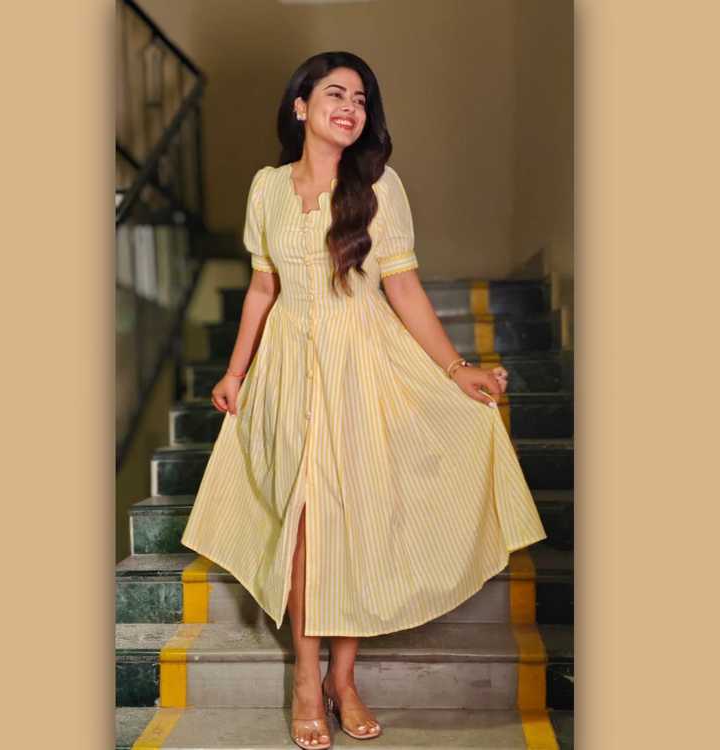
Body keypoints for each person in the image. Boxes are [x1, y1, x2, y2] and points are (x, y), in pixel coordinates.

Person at [180, 51, 547, 749]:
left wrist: (456, 369)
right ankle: (306, 681)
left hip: (364, 363)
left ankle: (342, 680)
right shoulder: (267, 187)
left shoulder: (380, 185)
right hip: (287, 369)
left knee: (352, 523)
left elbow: (403, 287)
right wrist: (234, 371)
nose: (351, 107)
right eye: (336, 93)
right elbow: (262, 287)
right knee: (303, 529)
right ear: (300, 107)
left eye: (361, 99)